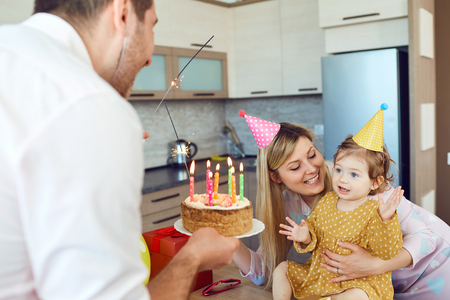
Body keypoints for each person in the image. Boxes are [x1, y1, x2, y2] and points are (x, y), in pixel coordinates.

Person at [0, 1, 239, 299]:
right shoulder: (91, 105)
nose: (151, 57)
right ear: (122, 13)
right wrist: (193, 257)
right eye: (152, 26)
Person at [235, 111, 450, 299]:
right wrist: (231, 246)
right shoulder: (290, 207)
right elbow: (266, 272)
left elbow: (426, 239)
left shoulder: (357, 178)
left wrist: (375, 265)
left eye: (312, 154)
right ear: (275, 177)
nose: (311, 169)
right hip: (383, 288)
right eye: (295, 167)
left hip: (437, 270)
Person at [273, 131, 404, 299]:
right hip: (320, 275)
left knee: (358, 296)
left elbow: (387, 251)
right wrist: (305, 237)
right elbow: (314, 235)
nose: (343, 179)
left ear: (375, 182)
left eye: (354, 174)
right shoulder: (327, 200)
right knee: (282, 268)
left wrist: (386, 220)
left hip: (358, 281)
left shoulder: (375, 211)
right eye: (339, 170)